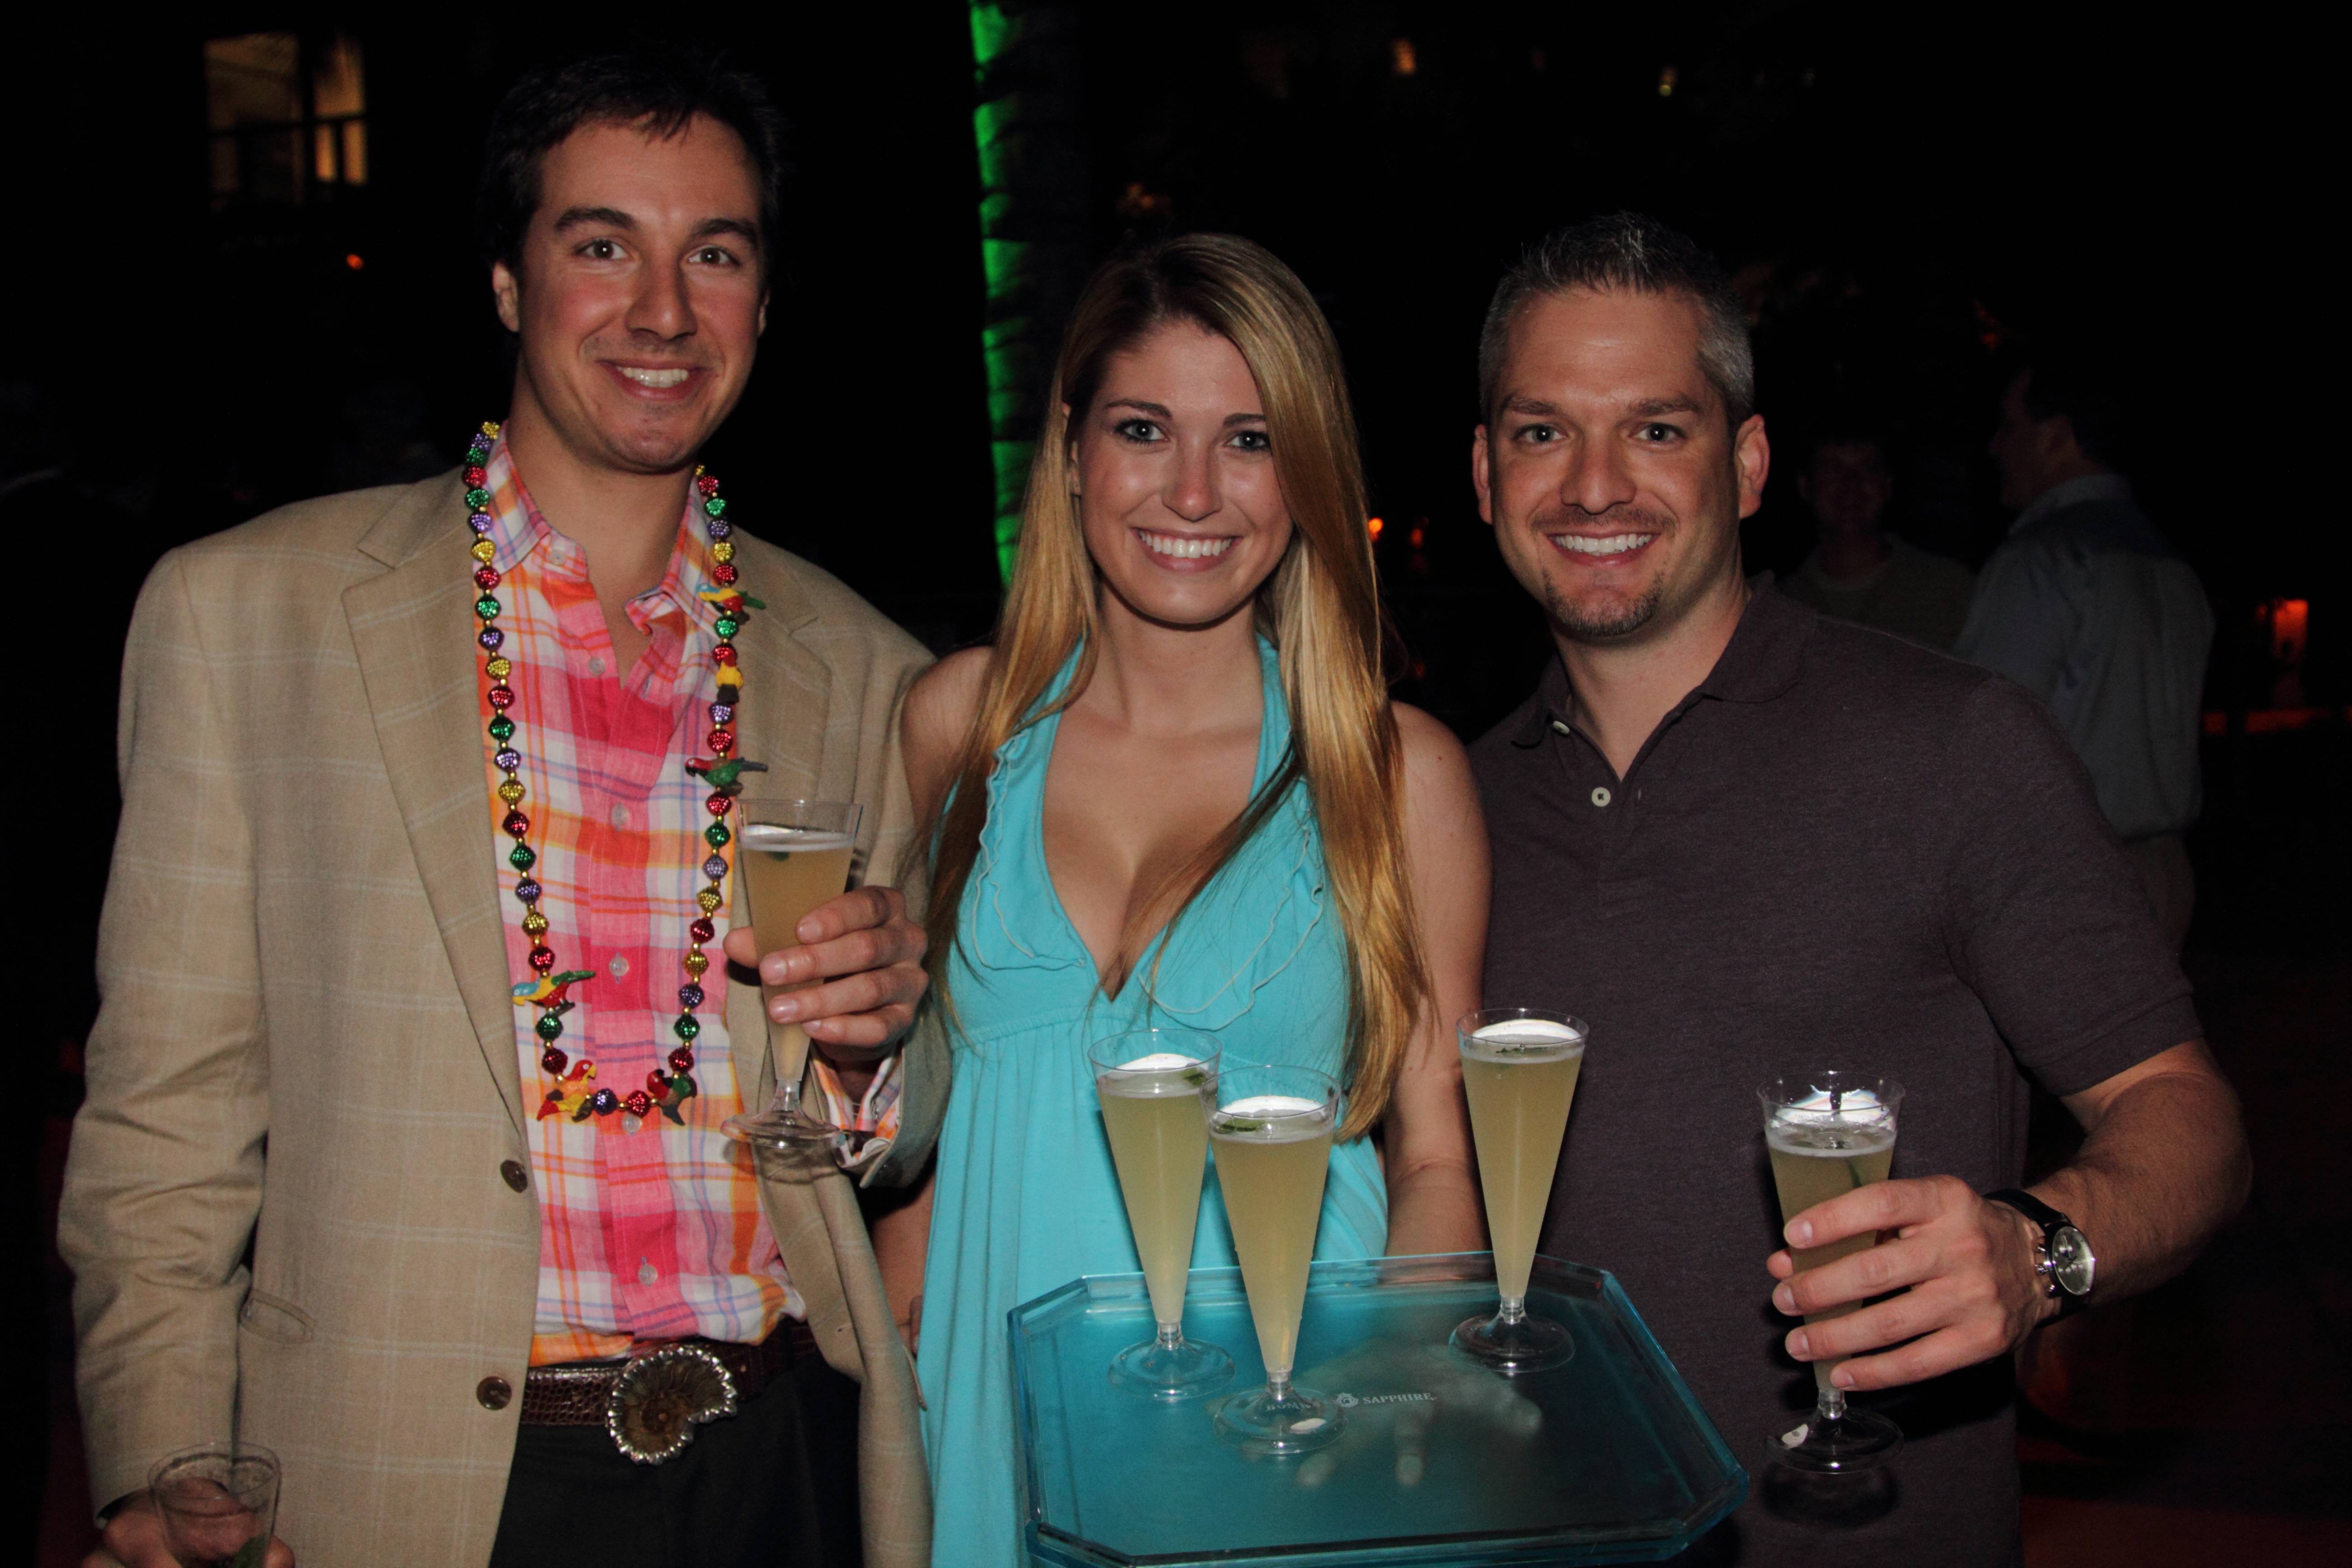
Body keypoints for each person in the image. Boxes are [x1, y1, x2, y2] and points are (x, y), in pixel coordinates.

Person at [62, 50, 941, 1568]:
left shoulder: (868, 670)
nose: (663, 310)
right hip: (400, 1479)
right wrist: (164, 1461)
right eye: (602, 243)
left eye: (715, 255)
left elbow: (894, 1132)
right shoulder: (247, 616)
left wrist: (872, 1056)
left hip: (778, 1463)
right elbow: (166, 1117)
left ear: (763, 301)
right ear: (505, 279)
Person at [1467, 213, 2249, 1564]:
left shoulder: (1954, 746)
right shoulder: (1452, 806)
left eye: (1656, 428)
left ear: (1747, 463)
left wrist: (2037, 1252)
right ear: (1485, 474)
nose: (1594, 484)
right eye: (1544, 431)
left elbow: (2188, 1121)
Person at [887, 234, 1488, 1563]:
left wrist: (1398, 1366)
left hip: (1289, 1416)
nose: (1196, 492)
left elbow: (1437, 1154)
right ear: (1072, 449)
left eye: (1251, 441)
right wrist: (898, 1314)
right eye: (1144, 429)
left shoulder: (1391, 774)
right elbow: (917, 1084)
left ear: (1307, 472)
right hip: (990, 1418)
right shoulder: (959, 724)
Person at [1957, 359, 2213, 949]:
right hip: (2163, 872)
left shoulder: (2044, 560)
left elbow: (1984, 739)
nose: (1996, 446)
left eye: (2010, 426)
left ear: (2057, 436)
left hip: (2067, 880)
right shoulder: (2172, 565)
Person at [1774, 429, 1975, 650]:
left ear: (1888, 485)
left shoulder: (1948, 588)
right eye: (1833, 470)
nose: (1851, 486)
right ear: (1805, 486)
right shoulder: (1780, 605)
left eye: (1868, 469)